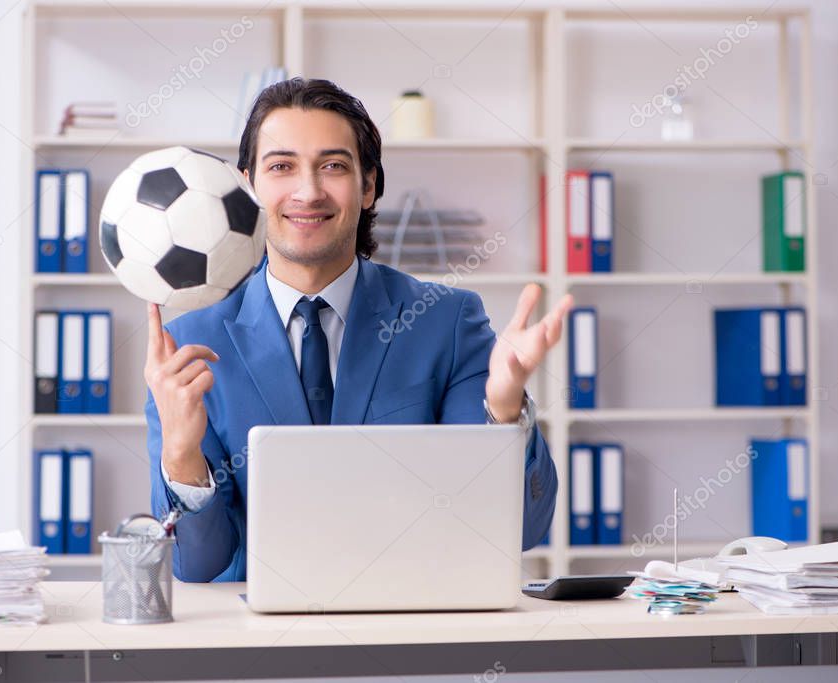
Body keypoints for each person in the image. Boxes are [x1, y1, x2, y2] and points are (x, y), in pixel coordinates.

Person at [145, 77, 574, 582]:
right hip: (258, 640)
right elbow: (198, 566)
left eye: (333, 166)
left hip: (412, 624)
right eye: (281, 166)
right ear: (249, 188)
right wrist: (181, 453)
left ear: (368, 186)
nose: (308, 191)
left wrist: (504, 410)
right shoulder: (193, 350)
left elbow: (518, 531)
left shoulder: (446, 322)